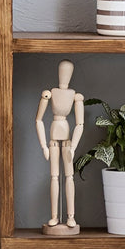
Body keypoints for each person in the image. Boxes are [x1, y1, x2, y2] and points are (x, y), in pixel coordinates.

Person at [35, 59, 84, 235]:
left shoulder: (75, 96)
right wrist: (43, 145)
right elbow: (38, 120)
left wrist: (74, 146)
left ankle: (71, 216)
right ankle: (54, 216)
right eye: (63, 71)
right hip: (53, 138)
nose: (65, 75)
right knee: (54, 176)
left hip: (68, 139)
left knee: (69, 177)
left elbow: (80, 124)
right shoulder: (50, 94)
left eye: (68, 71)